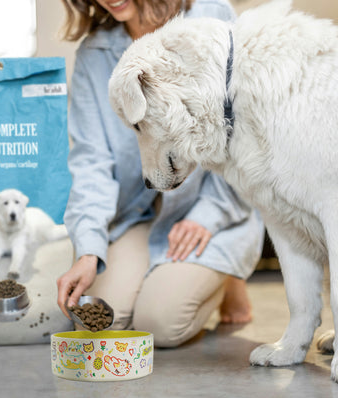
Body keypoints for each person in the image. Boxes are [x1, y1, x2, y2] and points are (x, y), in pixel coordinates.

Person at [56, 0, 265, 347]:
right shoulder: (94, 54)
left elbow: (243, 135)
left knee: (161, 325)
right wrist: (88, 249)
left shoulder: (211, 17)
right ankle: (187, 274)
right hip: (138, 215)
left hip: (205, 205)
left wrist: (208, 216)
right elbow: (91, 162)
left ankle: (229, 280)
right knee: (103, 324)